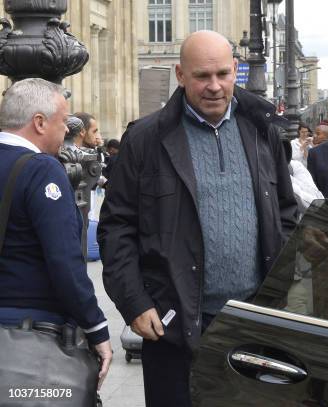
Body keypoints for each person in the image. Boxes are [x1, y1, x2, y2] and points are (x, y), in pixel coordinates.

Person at [97, 30, 297, 407]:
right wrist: (135, 302)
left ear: (236, 69)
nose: (215, 86)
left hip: (252, 321)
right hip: (174, 325)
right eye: (202, 76)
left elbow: (285, 213)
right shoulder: (145, 139)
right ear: (180, 74)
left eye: (222, 74)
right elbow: (116, 228)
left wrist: (278, 293)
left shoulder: (261, 130)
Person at [0, 78, 112, 389]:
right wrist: (97, 328)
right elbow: (64, 260)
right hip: (26, 333)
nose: (67, 131)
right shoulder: (42, 169)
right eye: (63, 122)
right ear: (38, 122)